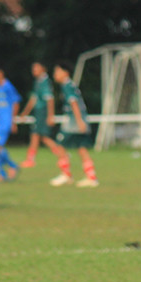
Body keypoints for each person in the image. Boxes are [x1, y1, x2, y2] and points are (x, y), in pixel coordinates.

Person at [50, 60, 99, 188]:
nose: (55, 74)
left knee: (59, 145)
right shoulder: (70, 85)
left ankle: (66, 174)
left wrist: (79, 121)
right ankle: (91, 177)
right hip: (79, 120)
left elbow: (74, 103)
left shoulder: (67, 86)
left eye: (57, 71)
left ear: (65, 72)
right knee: (82, 148)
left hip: (73, 122)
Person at [20, 62, 70, 176]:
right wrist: (25, 113)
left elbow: (50, 99)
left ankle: (32, 159)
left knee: (38, 136)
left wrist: (50, 115)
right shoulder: (38, 82)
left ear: (43, 69)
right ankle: (59, 154)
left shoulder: (45, 82)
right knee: (40, 136)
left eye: (37, 68)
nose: (34, 70)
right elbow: (33, 99)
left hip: (43, 112)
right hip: (38, 112)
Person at [0, 65, 21, 182]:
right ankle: (2, 174)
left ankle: (12, 166)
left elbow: (16, 102)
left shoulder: (8, 86)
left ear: (0, 73)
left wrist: (13, 121)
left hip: (6, 121)